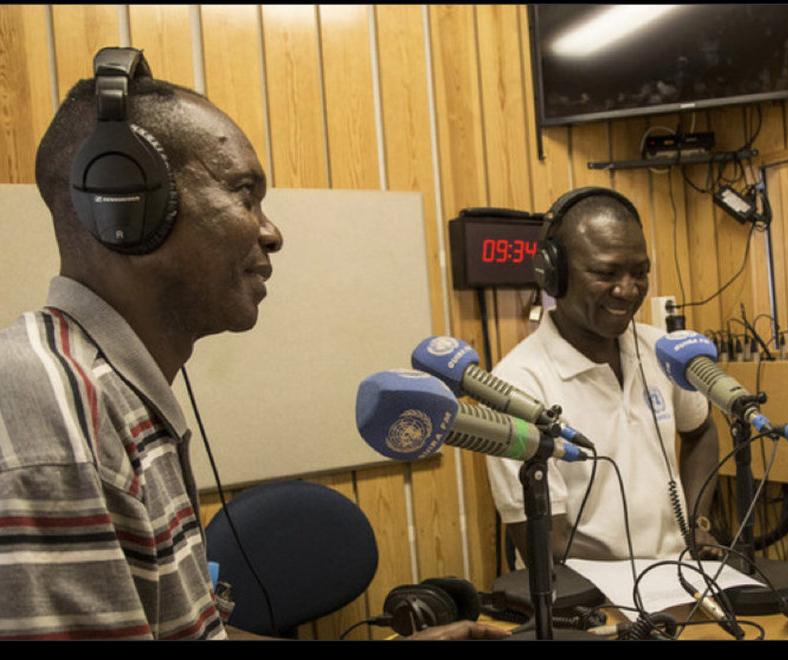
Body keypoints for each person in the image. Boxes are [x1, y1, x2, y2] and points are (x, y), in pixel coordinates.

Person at [0, 48, 504, 642]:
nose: (272, 232)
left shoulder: (111, 390)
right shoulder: (50, 411)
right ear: (128, 204)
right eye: (244, 194)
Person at [485, 187, 721, 566]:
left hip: (678, 576)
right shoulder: (517, 384)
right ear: (554, 274)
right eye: (605, 273)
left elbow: (701, 430)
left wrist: (696, 523)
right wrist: (646, 574)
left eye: (639, 273)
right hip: (586, 592)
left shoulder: (660, 352)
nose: (627, 290)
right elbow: (546, 546)